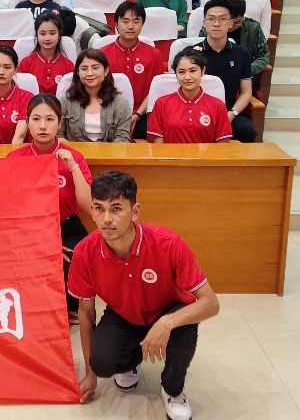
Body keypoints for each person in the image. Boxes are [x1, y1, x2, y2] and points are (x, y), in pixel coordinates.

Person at [71, 170, 218, 420]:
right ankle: (130, 363)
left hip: (168, 310)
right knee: (103, 362)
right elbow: (85, 313)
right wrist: (90, 374)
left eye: (116, 208)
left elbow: (210, 303)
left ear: (135, 211)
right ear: (92, 211)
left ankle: (172, 390)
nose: (107, 219)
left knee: (184, 329)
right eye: (99, 208)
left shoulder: (169, 243)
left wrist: (167, 322)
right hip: (123, 313)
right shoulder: (84, 252)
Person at [6, 93, 93, 323]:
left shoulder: (74, 157)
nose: (42, 126)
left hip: (66, 226)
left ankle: (70, 310)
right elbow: (7, 207)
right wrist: (43, 242)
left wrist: (73, 167)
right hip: (27, 228)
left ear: (60, 122)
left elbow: (88, 207)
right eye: (36, 119)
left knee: (73, 259)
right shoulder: (16, 158)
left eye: (50, 119)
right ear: (27, 122)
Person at [191, 0, 257, 142]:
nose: (216, 24)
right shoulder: (191, 53)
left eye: (222, 19)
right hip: (193, 112)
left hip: (227, 112)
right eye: (211, 19)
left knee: (246, 130)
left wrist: (231, 114)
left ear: (231, 23)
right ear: (204, 22)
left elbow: (246, 92)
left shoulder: (241, 53)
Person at [100, 2, 165, 139]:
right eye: (125, 21)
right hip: (108, 114)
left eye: (136, 21)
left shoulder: (154, 54)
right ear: (116, 24)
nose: (130, 26)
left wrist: (137, 115)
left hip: (143, 115)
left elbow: (155, 90)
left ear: (142, 24)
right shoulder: (102, 54)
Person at [149, 49, 232, 144]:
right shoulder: (161, 103)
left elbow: (223, 144)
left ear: (203, 71)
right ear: (175, 74)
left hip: (207, 154)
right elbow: (158, 144)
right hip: (171, 154)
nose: (187, 77)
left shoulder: (218, 105)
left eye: (193, 71)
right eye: (181, 72)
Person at [60, 49, 132, 143]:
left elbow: (122, 140)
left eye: (95, 68)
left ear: (106, 71)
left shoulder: (120, 103)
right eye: (84, 69)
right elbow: (58, 135)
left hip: (110, 151)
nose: (89, 73)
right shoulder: (66, 101)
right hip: (72, 152)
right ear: (78, 72)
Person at [19, 12, 74, 95]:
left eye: (52, 33)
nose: (47, 38)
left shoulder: (68, 66)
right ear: (36, 34)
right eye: (43, 34)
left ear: (59, 34)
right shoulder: (25, 63)